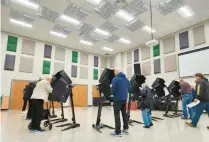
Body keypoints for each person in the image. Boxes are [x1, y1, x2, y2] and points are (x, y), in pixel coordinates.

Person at [110, 69, 130, 137]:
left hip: (117, 99)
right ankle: (126, 129)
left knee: (117, 115)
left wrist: (112, 93)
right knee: (124, 114)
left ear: (116, 72)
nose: (114, 74)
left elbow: (113, 90)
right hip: (124, 99)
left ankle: (118, 132)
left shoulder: (115, 79)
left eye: (114, 72)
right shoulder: (126, 79)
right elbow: (129, 88)